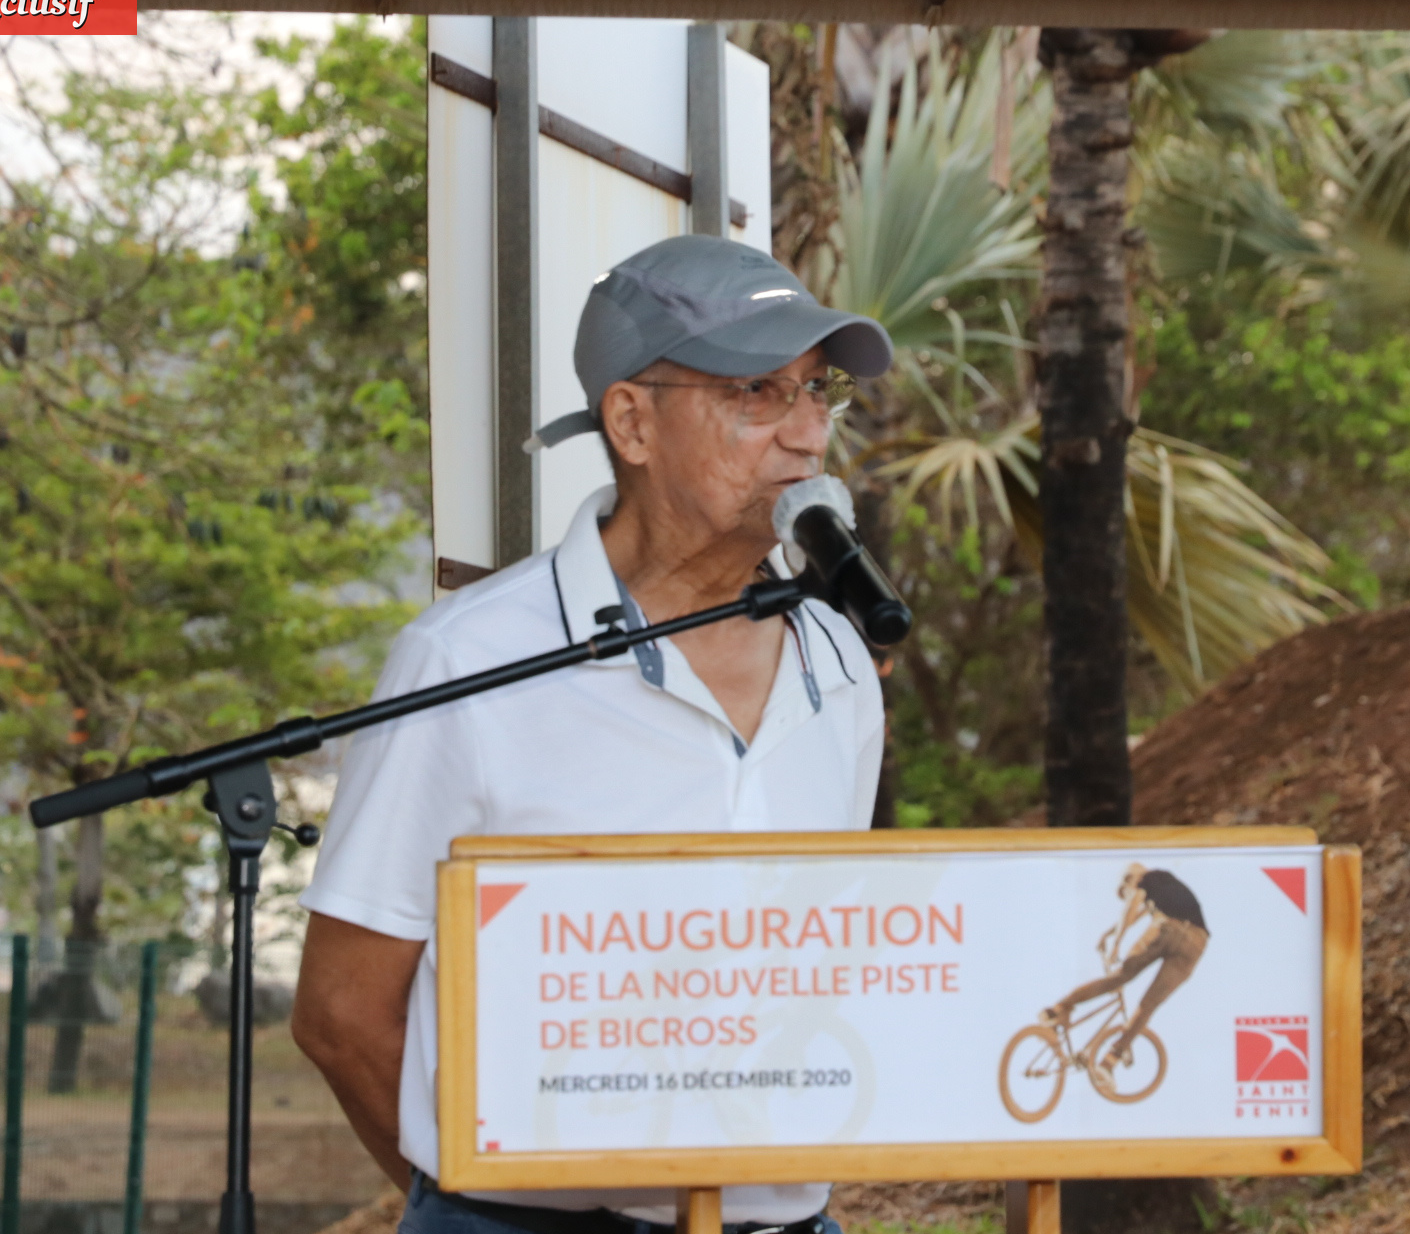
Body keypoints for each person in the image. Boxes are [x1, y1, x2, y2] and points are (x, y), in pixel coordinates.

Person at [291, 235, 894, 1234]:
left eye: (816, 390)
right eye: (757, 393)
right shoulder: (465, 663)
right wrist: (486, 1196)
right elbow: (343, 1014)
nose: (806, 436)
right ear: (632, 420)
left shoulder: (840, 664)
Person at [1042, 863, 1208, 1070]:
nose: (1129, 897)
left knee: (1119, 978)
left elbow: (1130, 910)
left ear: (1130, 880)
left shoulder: (1144, 879)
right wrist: (1109, 934)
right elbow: (1135, 915)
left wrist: (1116, 944)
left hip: (1168, 928)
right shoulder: (1164, 884)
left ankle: (1059, 1008)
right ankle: (1110, 1061)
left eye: (1126, 893)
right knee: (1149, 1005)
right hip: (1196, 943)